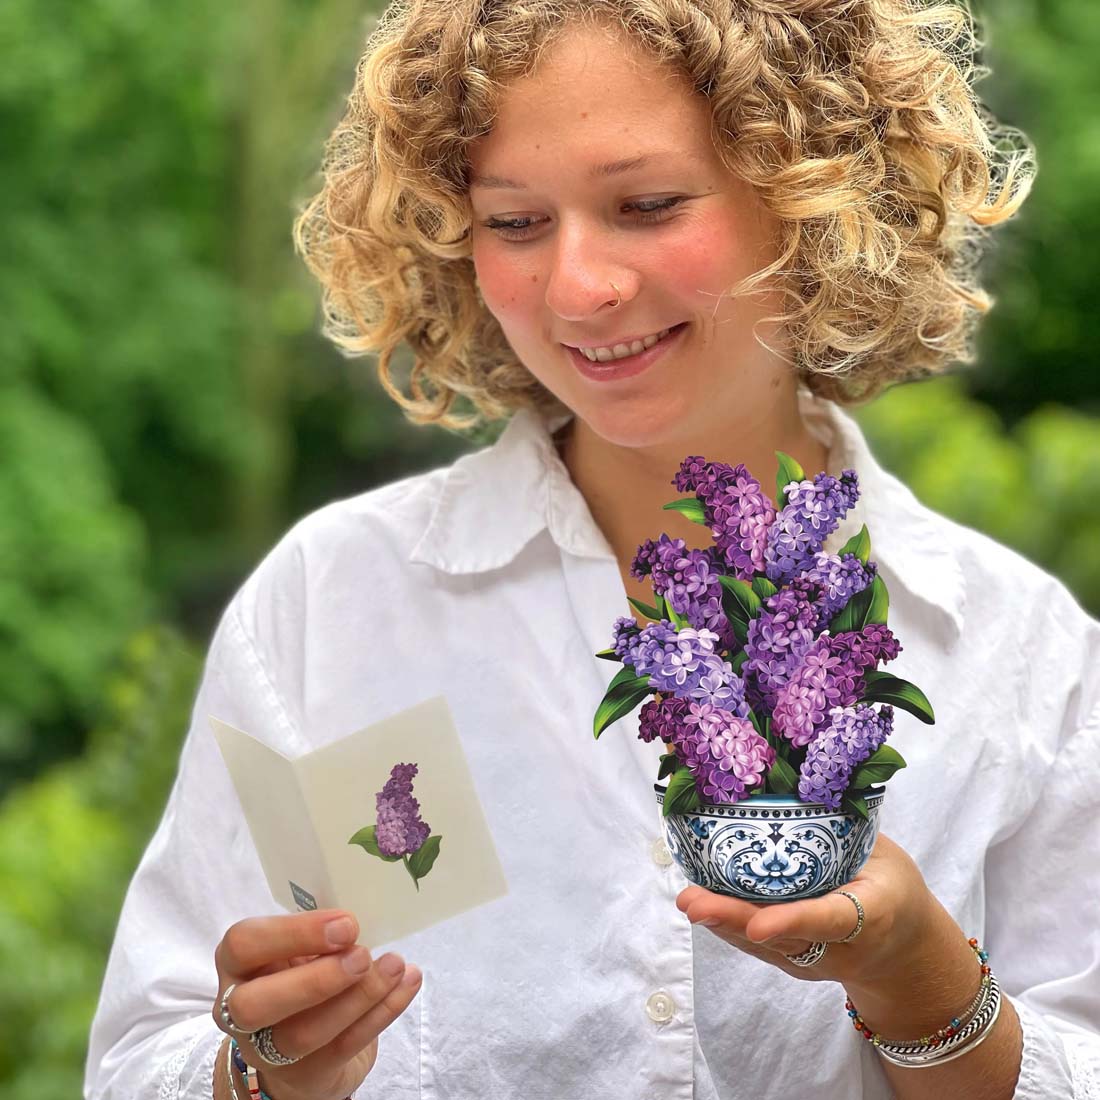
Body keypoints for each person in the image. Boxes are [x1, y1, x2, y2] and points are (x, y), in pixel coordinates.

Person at [85, 1, 1100, 1098]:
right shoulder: (334, 601)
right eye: (514, 222)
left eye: (647, 204)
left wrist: (930, 994)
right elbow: (150, 1055)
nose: (576, 285)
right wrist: (257, 1068)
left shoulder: (1016, 648)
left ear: (815, 194)